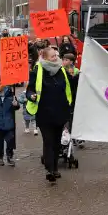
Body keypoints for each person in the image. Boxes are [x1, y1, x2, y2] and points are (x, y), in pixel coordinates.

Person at [25, 45, 74, 183]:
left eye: (56, 55)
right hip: (44, 113)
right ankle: (49, 170)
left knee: (57, 142)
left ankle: (55, 168)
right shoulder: (37, 70)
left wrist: (76, 77)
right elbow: (30, 89)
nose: (56, 58)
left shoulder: (62, 70)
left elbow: (70, 87)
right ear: (45, 58)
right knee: (48, 141)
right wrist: (31, 96)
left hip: (60, 111)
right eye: (53, 56)